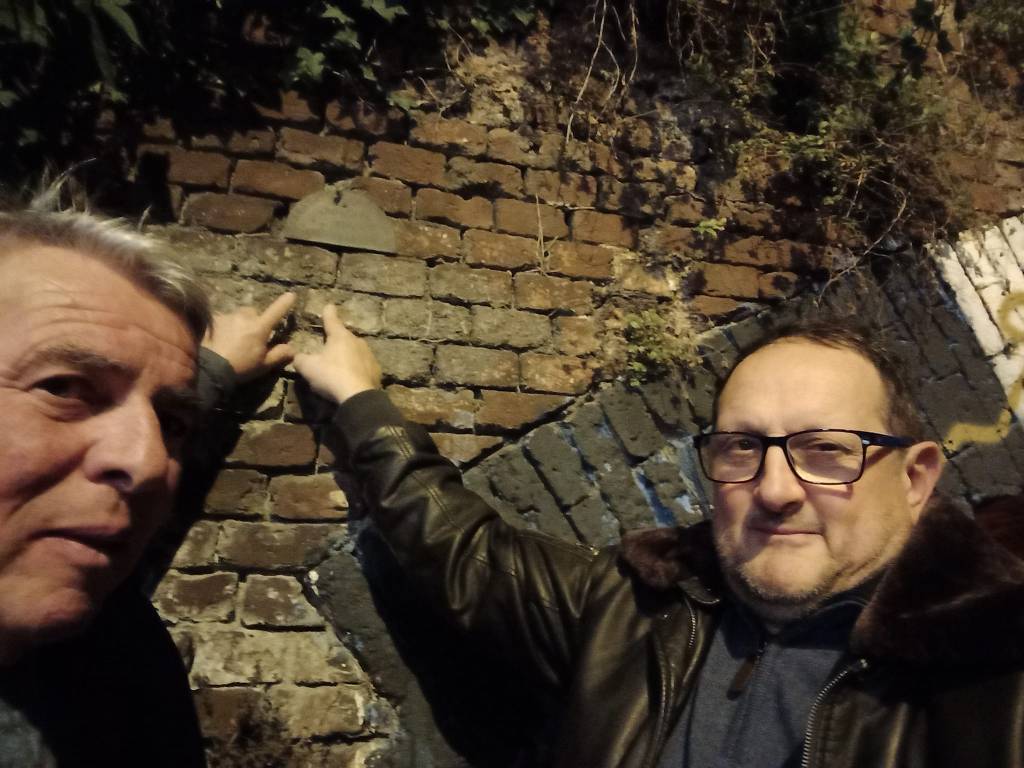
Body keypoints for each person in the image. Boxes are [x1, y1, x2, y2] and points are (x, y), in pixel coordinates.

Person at [292, 305, 1024, 768]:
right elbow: (464, 550)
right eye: (742, 447)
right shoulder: (633, 608)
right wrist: (360, 402)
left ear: (915, 477)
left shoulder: (996, 677)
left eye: (827, 450)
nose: (775, 489)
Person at [0, 199, 294, 768]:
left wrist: (210, 375)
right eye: (63, 387)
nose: (151, 462)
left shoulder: (109, 630)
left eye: (172, 424)